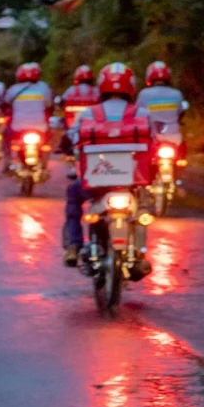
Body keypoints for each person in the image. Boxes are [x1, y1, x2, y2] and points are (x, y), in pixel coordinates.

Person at [63, 63, 140, 264]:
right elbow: (155, 143)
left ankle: (74, 245)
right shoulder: (142, 113)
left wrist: (67, 147)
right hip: (132, 181)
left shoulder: (90, 113)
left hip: (96, 182)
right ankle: (139, 252)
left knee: (73, 192)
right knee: (142, 211)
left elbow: (71, 137)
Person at [136, 61, 189, 146]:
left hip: (151, 138)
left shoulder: (143, 94)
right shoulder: (177, 93)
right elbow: (181, 112)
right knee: (181, 154)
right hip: (174, 138)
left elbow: (138, 115)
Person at [57, 63, 101, 151]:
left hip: (72, 126)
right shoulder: (96, 91)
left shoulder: (71, 90)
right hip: (92, 127)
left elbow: (61, 101)